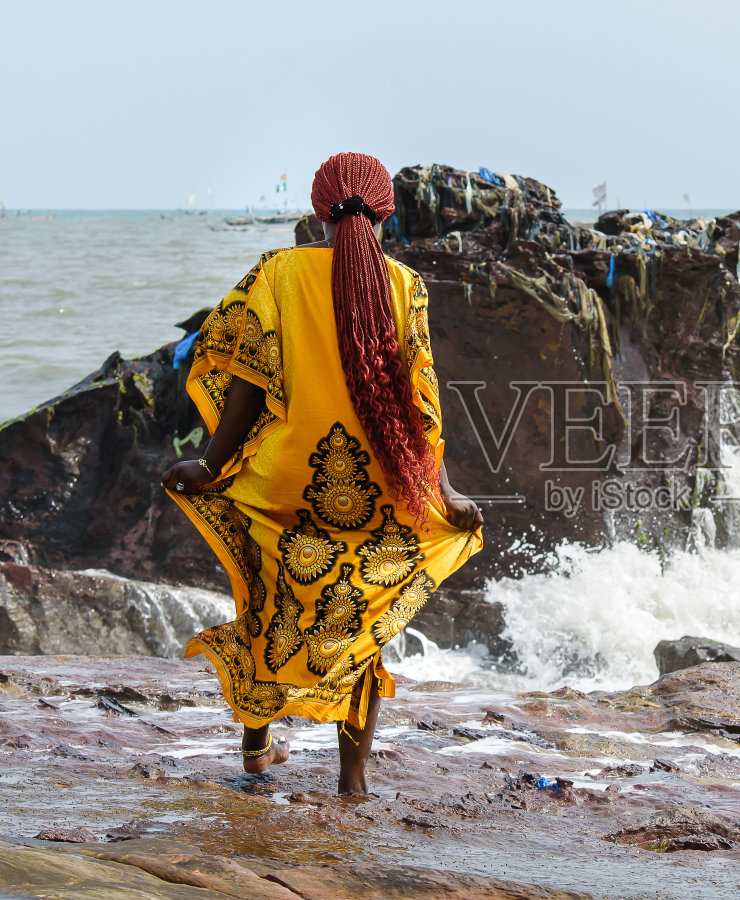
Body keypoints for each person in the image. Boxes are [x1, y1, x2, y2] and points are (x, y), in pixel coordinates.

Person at [161, 152, 483, 797]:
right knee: (362, 625)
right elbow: (419, 405)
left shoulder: (280, 271)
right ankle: (352, 782)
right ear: (385, 211)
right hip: (378, 492)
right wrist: (445, 494)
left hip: (285, 483)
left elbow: (248, 381)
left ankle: (256, 748)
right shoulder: (406, 285)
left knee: (265, 598)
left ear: (318, 211)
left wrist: (211, 464)